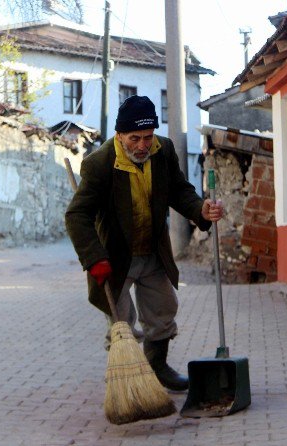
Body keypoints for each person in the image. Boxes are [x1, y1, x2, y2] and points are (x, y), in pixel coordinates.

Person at [65, 95, 223, 391]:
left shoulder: (163, 151)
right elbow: (77, 215)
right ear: (120, 135)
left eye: (147, 137)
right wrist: (93, 258)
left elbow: (179, 190)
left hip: (152, 249)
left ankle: (157, 366)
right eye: (134, 138)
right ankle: (126, 380)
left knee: (163, 310)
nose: (142, 145)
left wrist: (199, 209)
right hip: (114, 257)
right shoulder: (99, 164)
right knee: (120, 322)